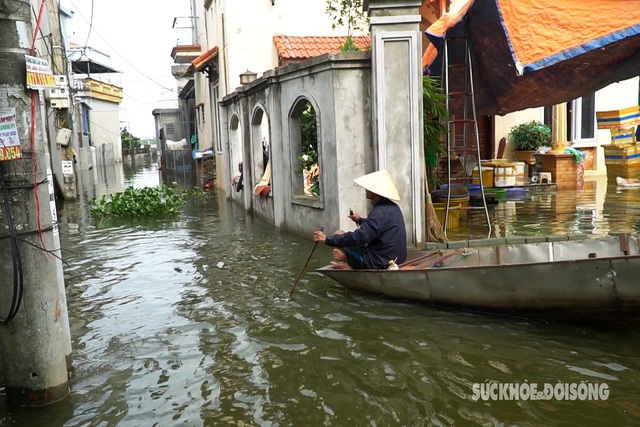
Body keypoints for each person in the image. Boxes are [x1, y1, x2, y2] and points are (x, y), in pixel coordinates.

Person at [313, 169, 407, 270]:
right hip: (394, 256)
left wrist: (327, 239)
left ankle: (348, 264)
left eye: (368, 188)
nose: (366, 190)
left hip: (381, 261)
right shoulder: (391, 207)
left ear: (375, 191)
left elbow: (360, 236)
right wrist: (359, 220)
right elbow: (376, 227)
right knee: (342, 236)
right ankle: (349, 262)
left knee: (339, 234)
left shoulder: (380, 211)